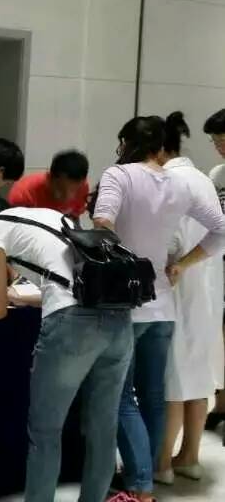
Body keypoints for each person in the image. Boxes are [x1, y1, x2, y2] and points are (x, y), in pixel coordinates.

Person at [0, 192, 132, 502]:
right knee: (102, 428)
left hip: (71, 330)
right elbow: (72, 284)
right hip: (118, 320)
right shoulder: (51, 216)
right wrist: (22, 297)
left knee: (45, 431)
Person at [91, 115, 225, 502]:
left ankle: (139, 482)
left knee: (120, 396)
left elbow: (102, 223)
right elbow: (220, 230)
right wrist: (181, 263)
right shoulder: (181, 183)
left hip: (126, 304)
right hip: (163, 303)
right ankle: (148, 474)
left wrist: (119, 262)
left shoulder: (119, 175)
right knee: (153, 394)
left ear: (127, 143)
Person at [156, 112, 225, 484]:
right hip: (209, 288)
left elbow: (168, 239)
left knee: (173, 378)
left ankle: (162, 463)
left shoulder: (170, 181)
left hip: (179, 286)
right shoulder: (205, 178)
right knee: (198, 376)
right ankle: (190, 457)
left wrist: (177, 263)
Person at [203, 107, 225, 431]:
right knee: (219, 333)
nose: (219, 146)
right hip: (218, 262)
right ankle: (220, 405)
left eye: (222, 139)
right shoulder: (216, 174)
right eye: (215, 140)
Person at [8, 149, 90, 218]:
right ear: (49, 178)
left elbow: (74, 216)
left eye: (73, 191)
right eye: (60, 190)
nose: (66, 197)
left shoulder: (83, 187)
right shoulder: (24, 191)